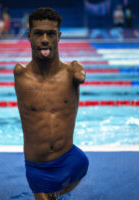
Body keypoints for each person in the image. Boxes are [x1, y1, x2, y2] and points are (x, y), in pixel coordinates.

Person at [14, 8, 89, 200]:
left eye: (51, 34)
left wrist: (77, 68)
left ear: (59, 36)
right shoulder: (20, 75)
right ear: (29, 36)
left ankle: (56, 193)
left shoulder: (71, 72)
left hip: (71, 159)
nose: (45, 39)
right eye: (38, 33)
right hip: (38, 167)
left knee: (81, 165)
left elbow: (78, 72)